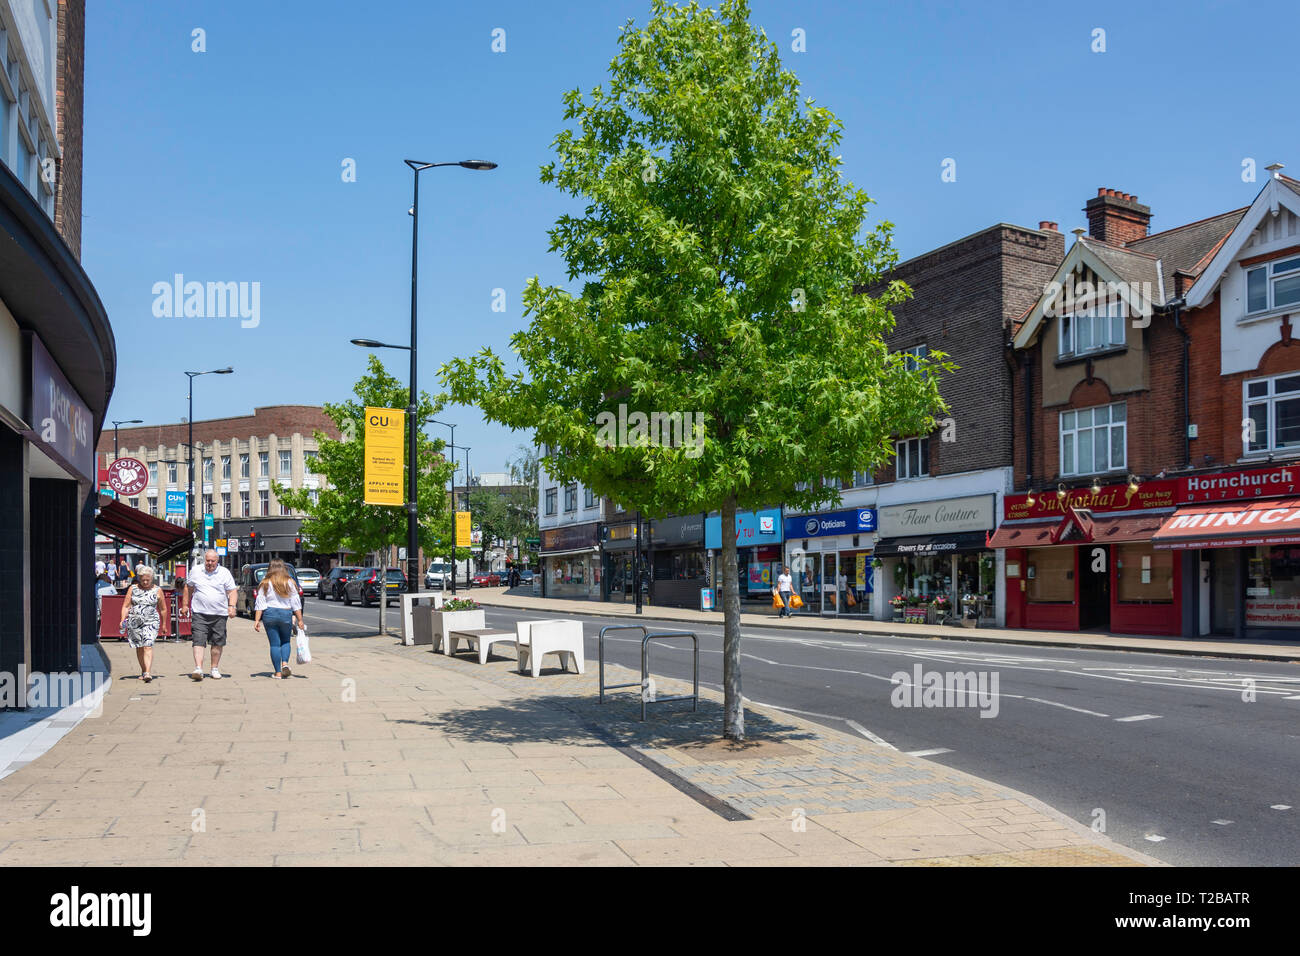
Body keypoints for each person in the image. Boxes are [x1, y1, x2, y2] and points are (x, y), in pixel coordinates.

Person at [182, 549, 236, 681]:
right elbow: (188, 588)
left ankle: (214, 668)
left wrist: (232, 606)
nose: (210, 563)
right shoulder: (196, 571)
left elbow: (232, 591)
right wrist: (184, 605)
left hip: (219, 614)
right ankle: (198, 668)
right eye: (208, 560)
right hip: (200, 612)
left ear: (218, 561)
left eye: (213, 561)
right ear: (204, 560)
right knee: (198, 640)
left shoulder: (224, 573)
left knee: (217, 642)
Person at [253, 559, 302, 679]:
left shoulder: (264, 583)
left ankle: (278, 673)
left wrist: (257, 620)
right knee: (286, 641)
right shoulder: (290, 582)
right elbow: (295, 603)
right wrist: (300, 619)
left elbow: (260, 603)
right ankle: (285, 664)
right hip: (286, 613)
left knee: (274, 644)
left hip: (270, 614)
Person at [119, 565, 169, 682]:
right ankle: (143, 669)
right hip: (135, 621)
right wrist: (122, 619)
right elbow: (126, 606)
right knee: (139, 647)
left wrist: (164, 625)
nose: (145, 582)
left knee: (148, 645)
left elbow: (163, 609)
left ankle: (147, 672)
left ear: (152, 578)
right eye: (143, 580)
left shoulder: (157, 590)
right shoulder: (133, 588)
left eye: (148, 580)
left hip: (151, 621)